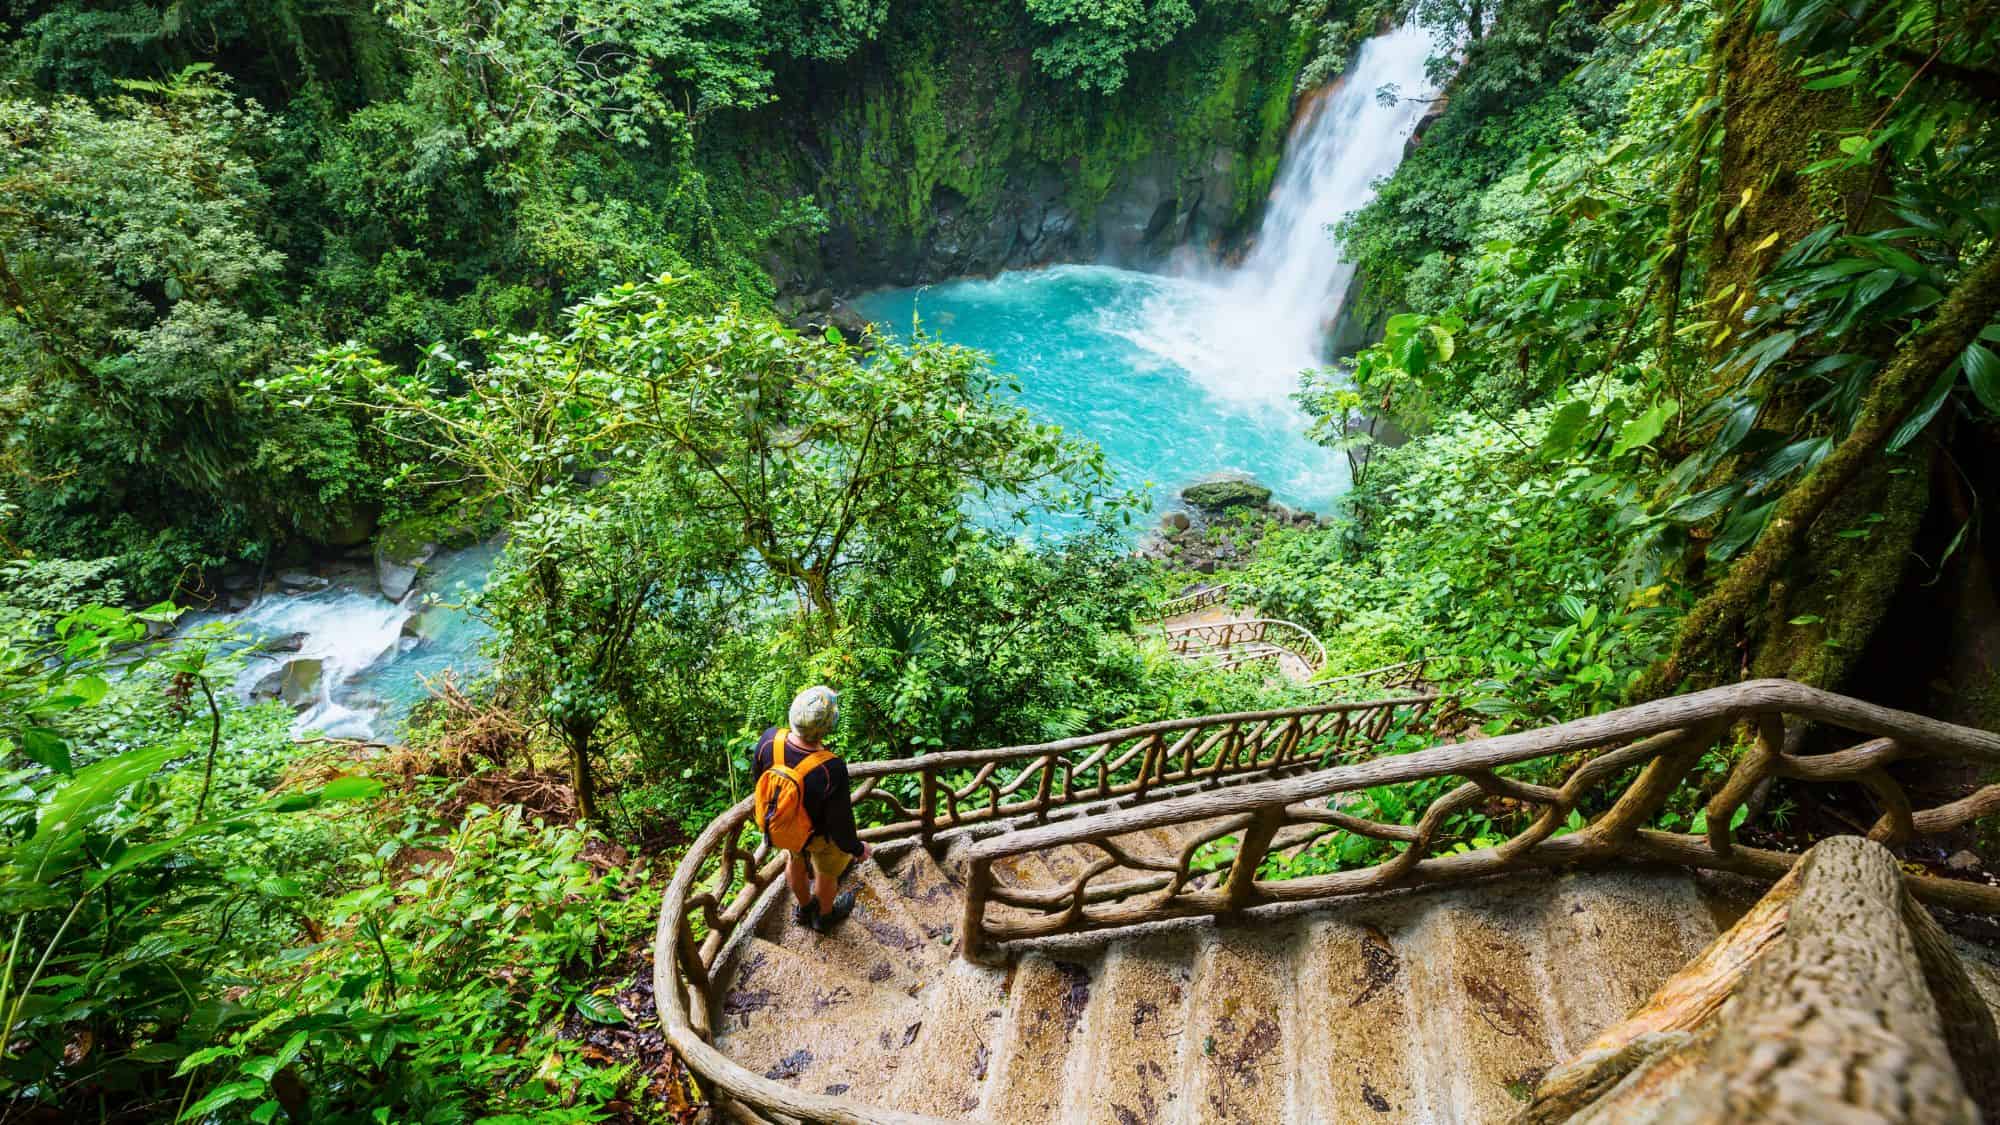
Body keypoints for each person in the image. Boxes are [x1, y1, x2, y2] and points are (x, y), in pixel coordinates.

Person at [753, 685, 870, 932]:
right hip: (819, 837)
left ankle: (805, 907)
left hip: (786, 827)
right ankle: (824, 916)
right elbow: (840, 821)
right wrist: (856, 848)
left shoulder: (769, 740)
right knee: (826, 874)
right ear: (828, 727)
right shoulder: (830, 767)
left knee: (794, 860)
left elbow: (759, 781)